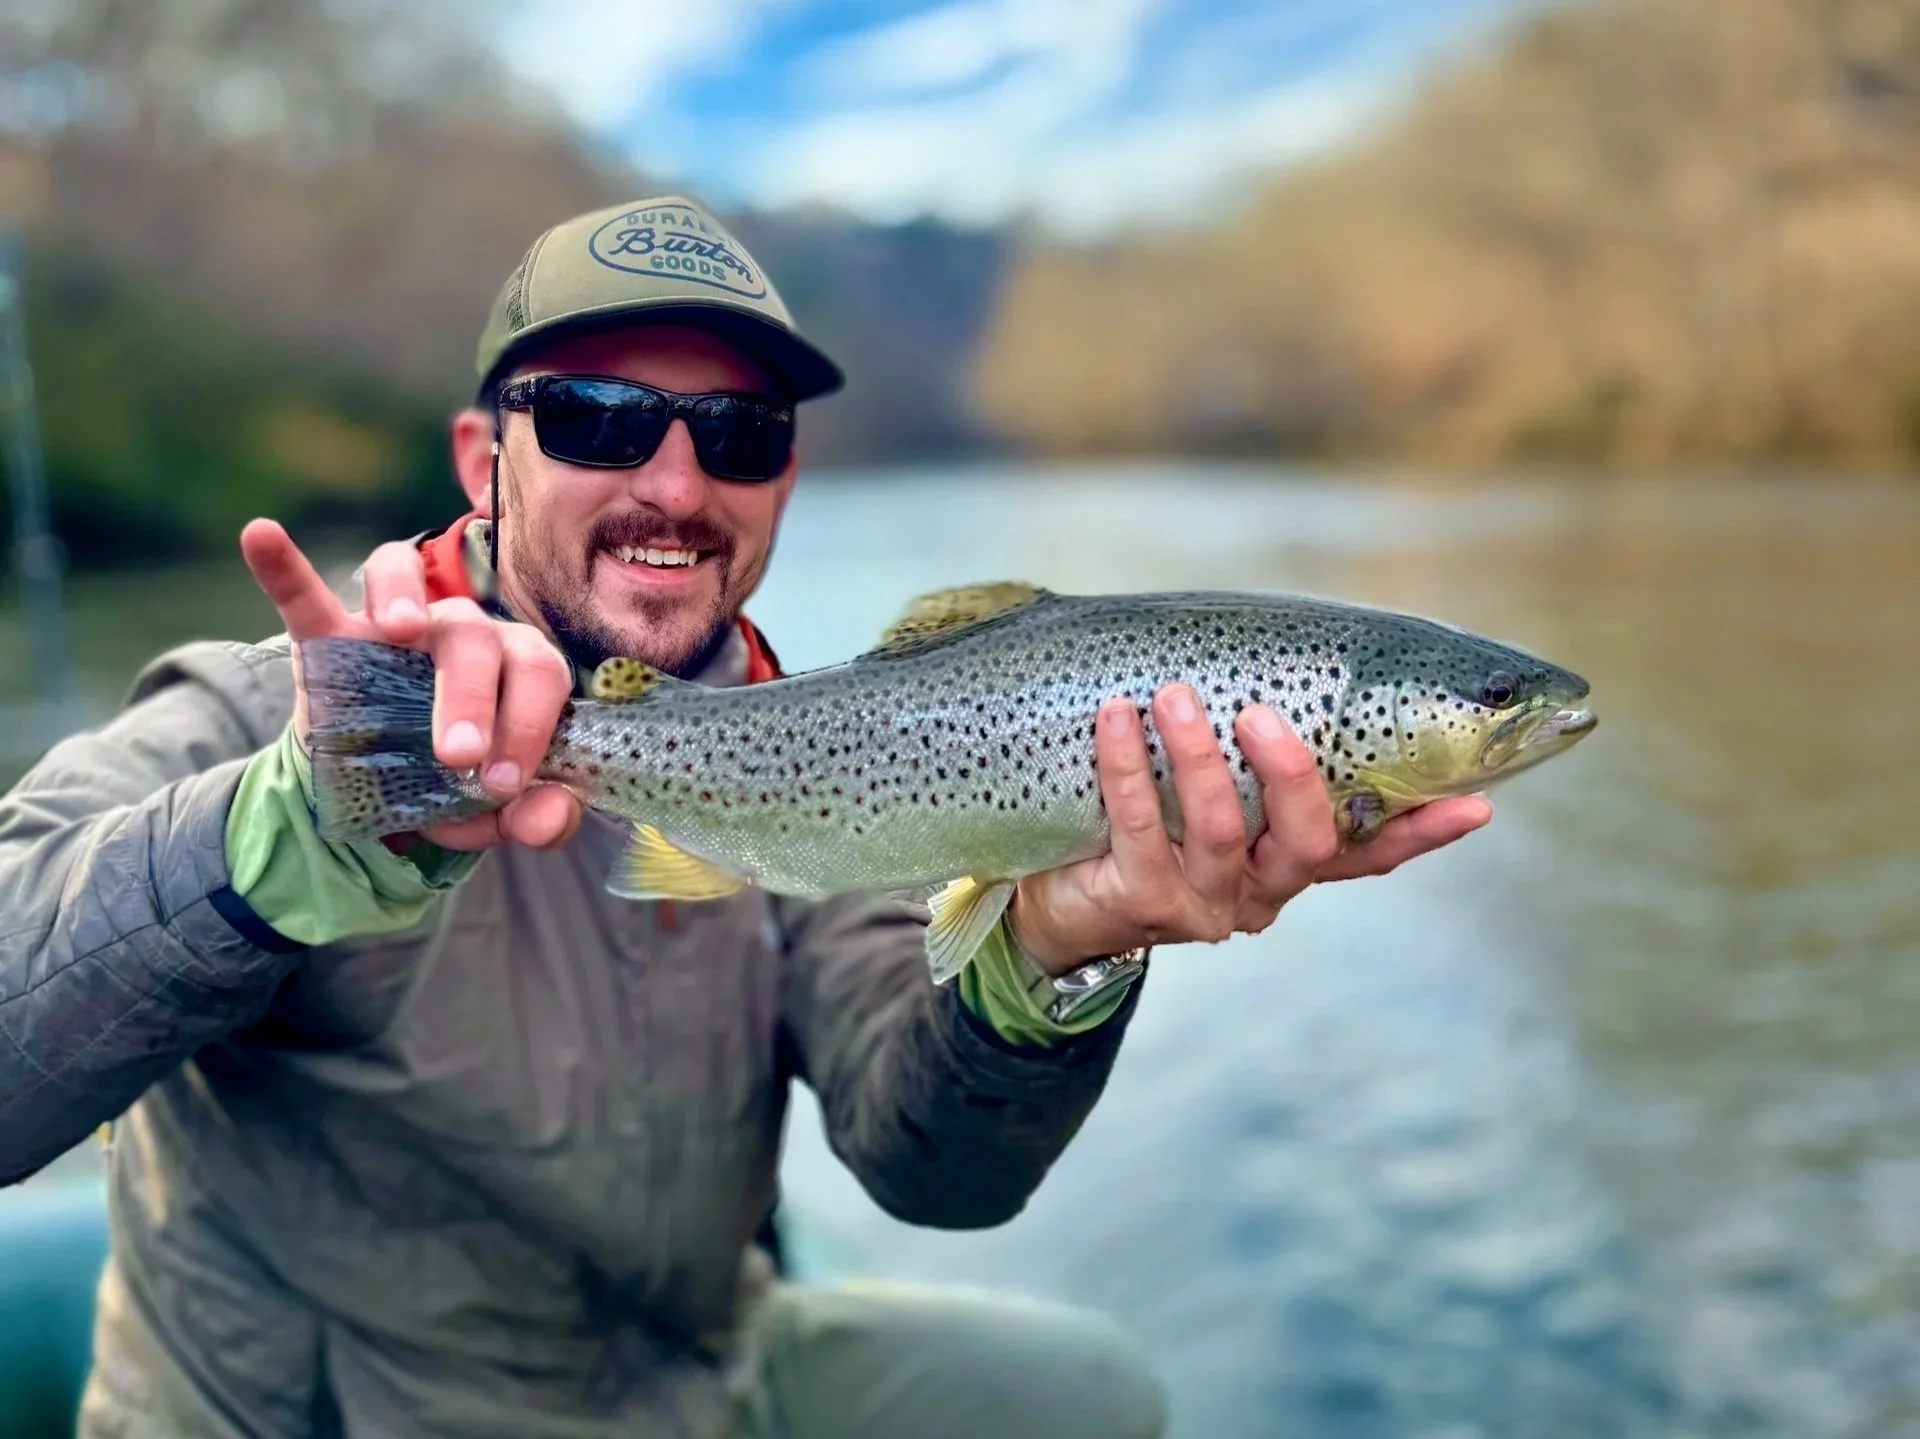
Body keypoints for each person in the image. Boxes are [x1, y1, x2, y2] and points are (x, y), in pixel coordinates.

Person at [0, 194, 1492, 1439]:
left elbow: (935, 1165)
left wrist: (1066, 941)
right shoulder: (285, 715)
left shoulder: (839, 761)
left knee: (1088, 1395)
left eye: (739, 428)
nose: (674, 479)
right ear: (481, 461)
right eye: (596, 417)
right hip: (317, 1413)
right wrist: (307, 826)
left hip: (675, 1393)